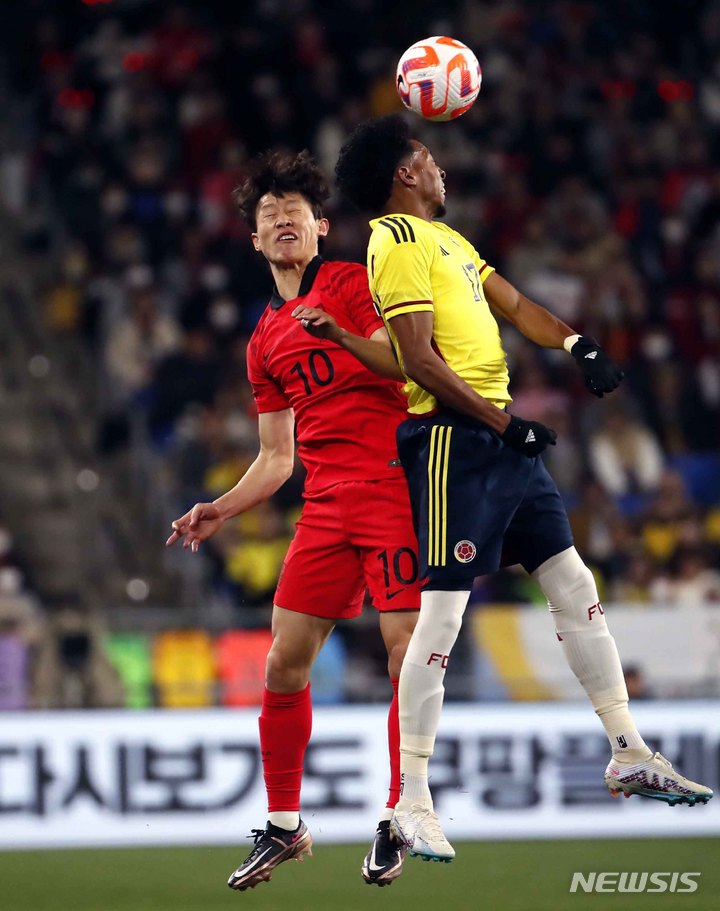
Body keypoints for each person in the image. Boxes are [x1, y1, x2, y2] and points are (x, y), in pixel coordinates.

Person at [296, 114, 713, 862]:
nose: (440, 169)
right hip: (455, 443)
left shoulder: (452, 243)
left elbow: (514, 309)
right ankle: (411, 799)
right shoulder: (392, 241)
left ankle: (627, 749)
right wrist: (502, 420)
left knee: (573, 580)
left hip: (499, 441)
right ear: (402, 175)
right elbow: (420, 363)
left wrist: (579, 344)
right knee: (444, 614)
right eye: (427, 158)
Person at [166, 150, 419, 890]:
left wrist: (338, 334)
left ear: (320, 228)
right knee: (282, 661)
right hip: (327, 504)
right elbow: (278, 457)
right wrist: (219, 507)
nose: (282, 218)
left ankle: (404, 811)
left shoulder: (351, 283)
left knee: (407, 653)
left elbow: (408, 361)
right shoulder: (263, 341)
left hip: (394, 488)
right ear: (253, 238)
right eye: (268, 212)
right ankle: (284, 825)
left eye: (295, 211)